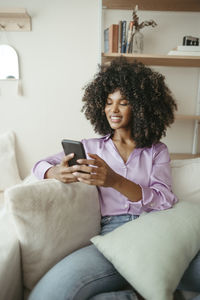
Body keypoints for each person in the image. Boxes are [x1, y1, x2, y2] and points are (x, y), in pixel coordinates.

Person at [29, 58, 200, 300]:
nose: (113, 110)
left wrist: (114, 180)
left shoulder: (156, 150)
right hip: (112, 237)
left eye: (123, 102)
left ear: (141, 107)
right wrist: (54, 172)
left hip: (157, 233)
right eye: (108, 103)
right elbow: (38, 165)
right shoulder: (91, 147)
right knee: (50, 293)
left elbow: (164, 200)